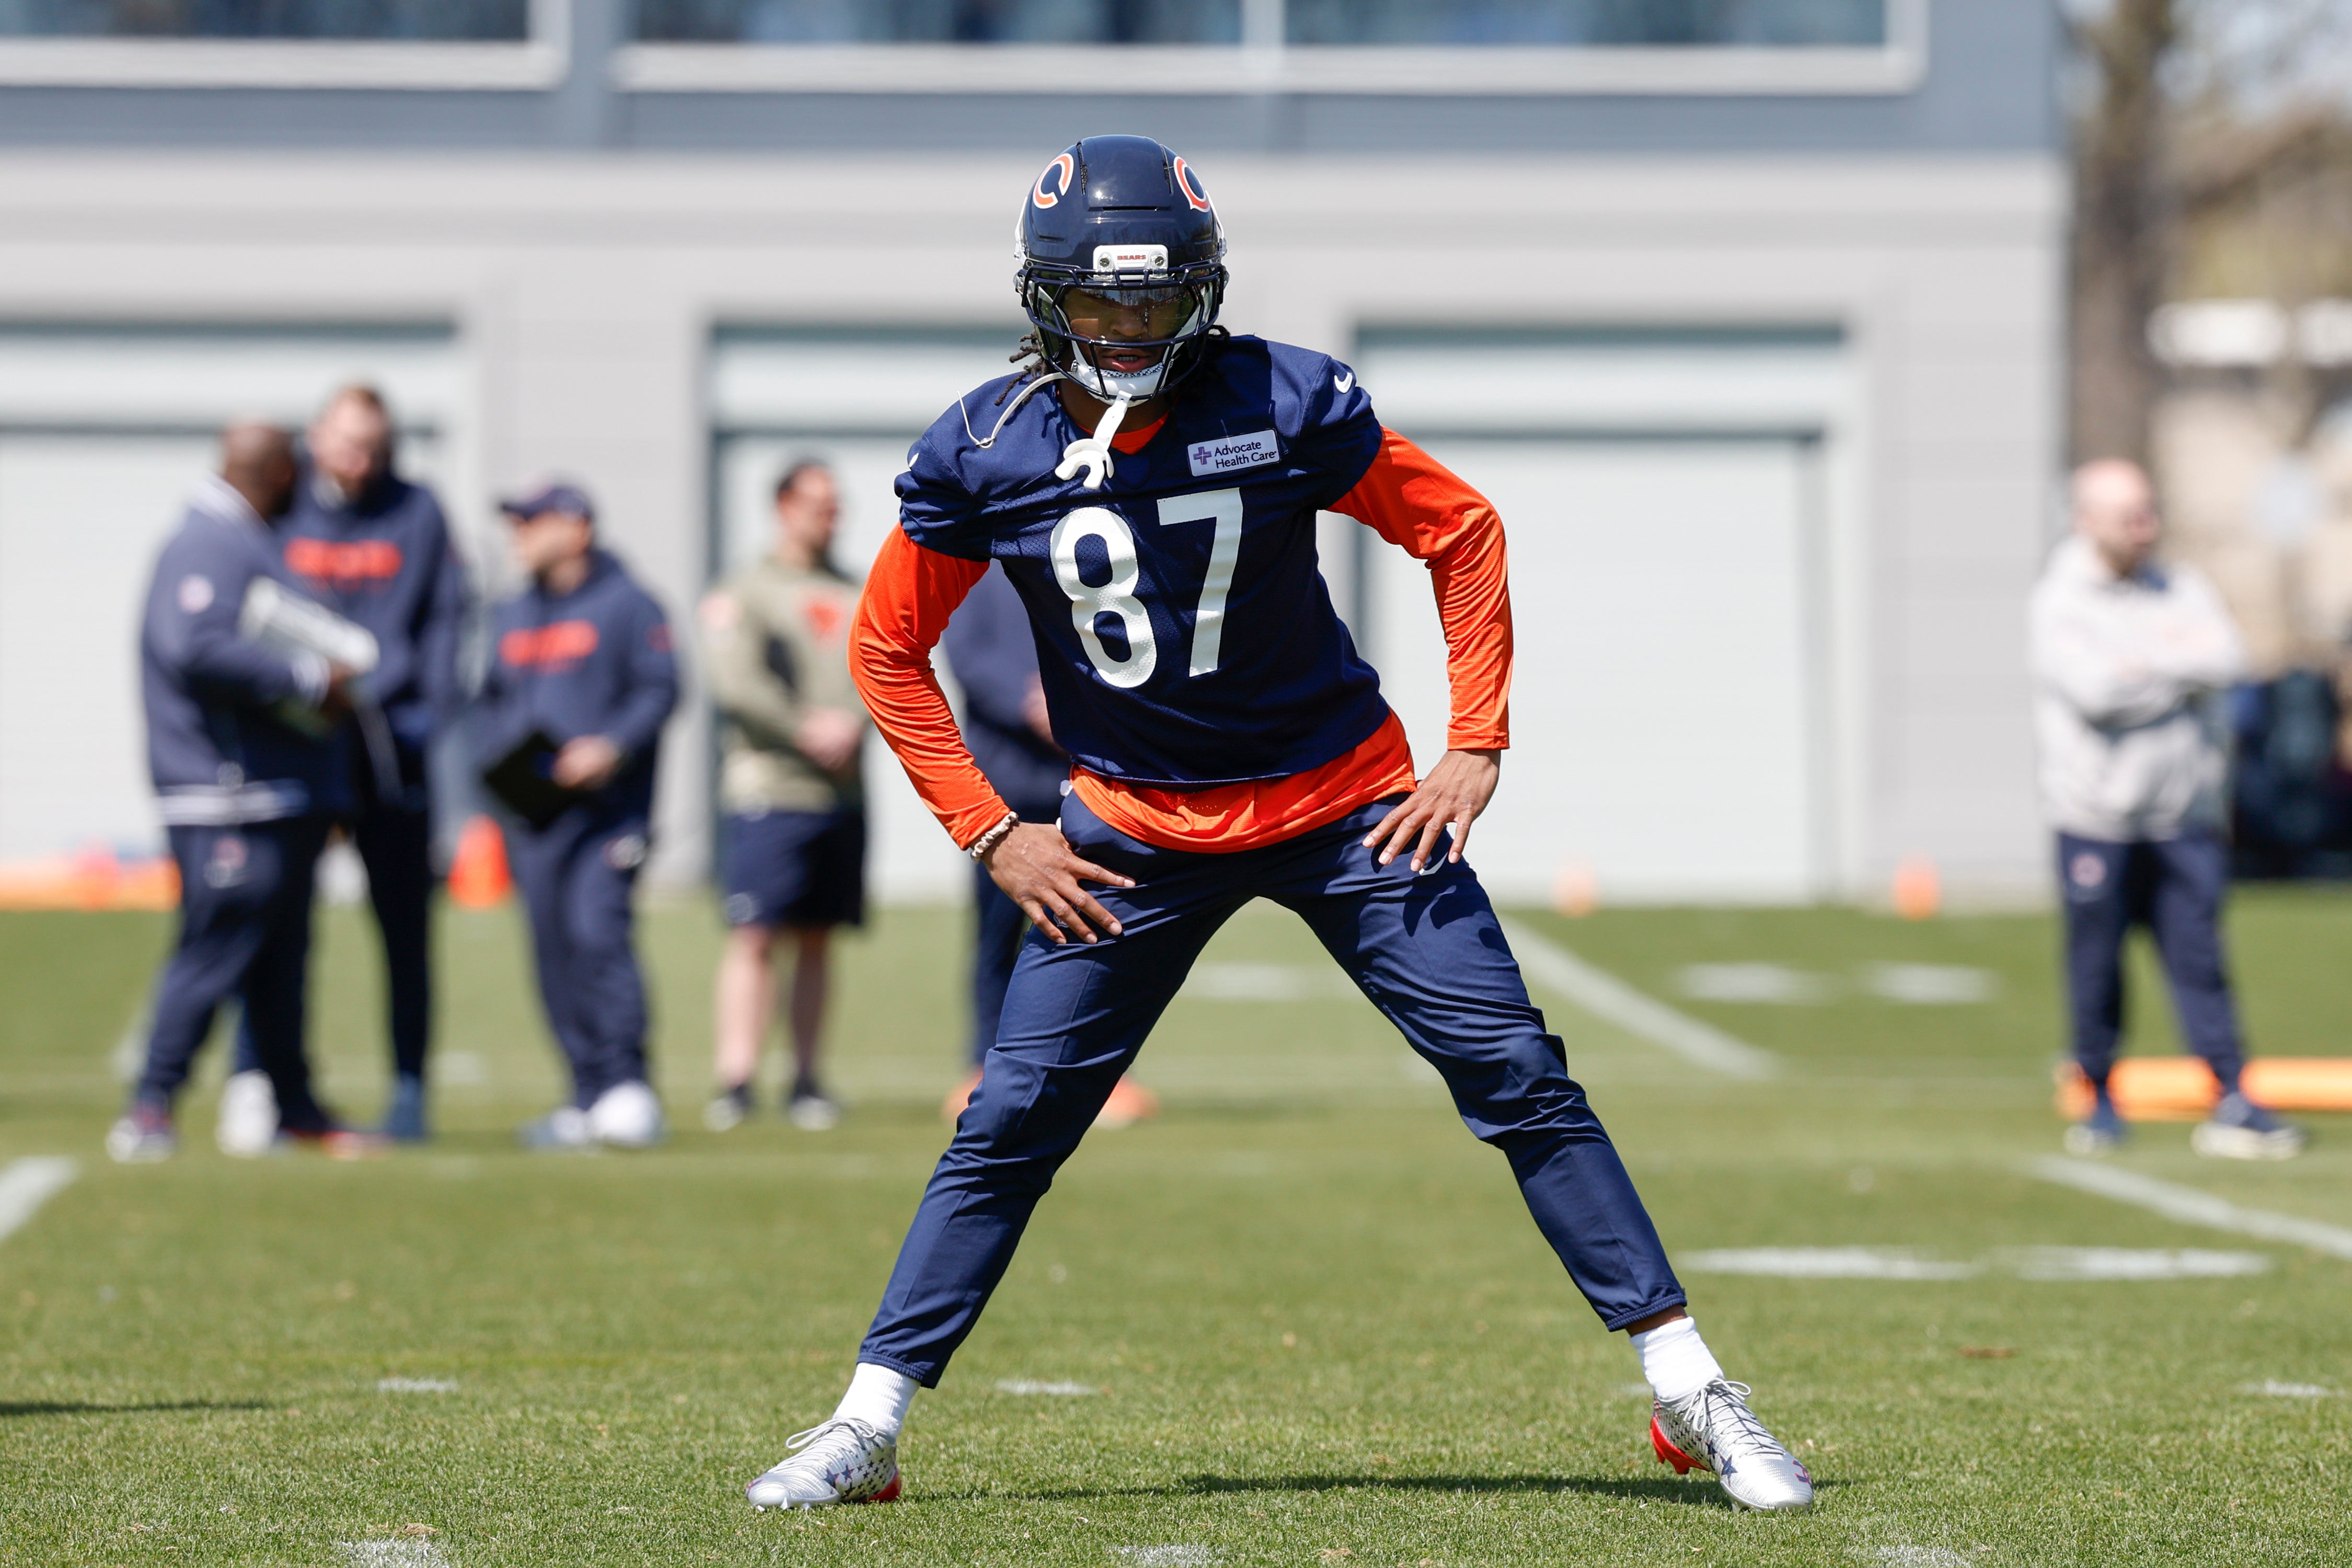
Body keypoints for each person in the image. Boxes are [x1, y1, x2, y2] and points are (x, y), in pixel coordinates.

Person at [742, 135, 1812, 1516]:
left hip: (1345, 807)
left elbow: (1460, 532)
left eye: (1150, 300)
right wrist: (990, 830)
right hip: (1128, 829)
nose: (1125, 329)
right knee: (1006, 1117)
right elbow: (887, 651)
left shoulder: (1283, 396)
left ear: (1200, 289)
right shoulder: (984, 444)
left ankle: (1689, 1387)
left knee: (1515, 1072)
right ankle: (869, 1422)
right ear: (1040, 295)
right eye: (1098, 302)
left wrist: (1473, 740)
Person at [216, 385, 468, 1151]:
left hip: (390, 755)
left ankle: (409, 1089)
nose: (358, 462)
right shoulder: (283, 508)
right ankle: (256, 1082)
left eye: (373, 447)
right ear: (318, 439)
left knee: (403, 928)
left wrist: (406, 705)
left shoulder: (418, 512)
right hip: (298, 746)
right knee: (275, 920)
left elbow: (446, 626)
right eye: (346, 444)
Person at [2032, 458, 2304, 1160]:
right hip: (2098, 819)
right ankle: (2098, 1097)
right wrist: (2173, 671)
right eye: (2129, 516)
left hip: (2186, 816)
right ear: (2088, 521)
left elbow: (2225, 659)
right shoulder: (2060, 599)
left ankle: (2233, 1097)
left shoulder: (2182, 586)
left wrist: (2143, 669)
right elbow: (2097, 693)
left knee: (2202, 960)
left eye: (2149, 511)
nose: (2145, 527)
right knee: (2097, 964)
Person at [108, 423, 361, 1162]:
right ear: (279, 472)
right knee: (215, 948)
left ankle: (296, 1106)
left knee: (282, 959)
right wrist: (312, 679)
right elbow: (199, 645)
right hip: (226, 795)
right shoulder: (207, 542)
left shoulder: (238, 539)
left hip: (269, 794)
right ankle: (151, 1106)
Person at [478, 480, 678, 1150]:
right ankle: (585, 1091)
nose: (519, 537)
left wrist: (611, 748)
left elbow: (660, 690)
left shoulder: (629, 603)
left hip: (606, 816)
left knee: (598, 936)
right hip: (534, 821)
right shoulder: (510, 614)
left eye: (531, 523)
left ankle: (627, 1086)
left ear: (577, 528)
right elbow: (490, 705)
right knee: (551, 954)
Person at [938, 563, 1158, 1127]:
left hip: (1090, 785)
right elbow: (966, 657)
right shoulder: (974, 572)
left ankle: (1097, 1073)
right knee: (995, 940)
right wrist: (1027, 700)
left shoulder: (1081, 558)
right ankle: (981, 1066)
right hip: (1003, 788)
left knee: (1099, 931)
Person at [699, 461, 870, 1133]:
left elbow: (887, 665)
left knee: (820, 937)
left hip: (841, 793)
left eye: (837, 505)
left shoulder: (855, 590)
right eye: (818, 504)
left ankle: (806, 1079)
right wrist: (806, 727)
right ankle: (736, 1080)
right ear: (782, 506)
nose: (831, 516)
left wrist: (854, 725)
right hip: (768, 788)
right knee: (754, 934)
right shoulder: (746, 589)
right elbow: (734, 682)